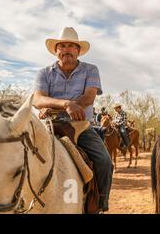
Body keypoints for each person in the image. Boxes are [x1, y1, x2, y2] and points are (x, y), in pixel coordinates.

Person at [32, 26, 113, 213]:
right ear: (56, 50)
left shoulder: (91, 70)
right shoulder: (44, 73)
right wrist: (67, 104)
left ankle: (100, 202)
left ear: (78, 50)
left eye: (71, 46)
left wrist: (54, 106)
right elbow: (37, 99)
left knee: (104, 161)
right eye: (62, 46)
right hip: (49, 127)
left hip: (81, 127)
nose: (66, 49)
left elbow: (88, 98)